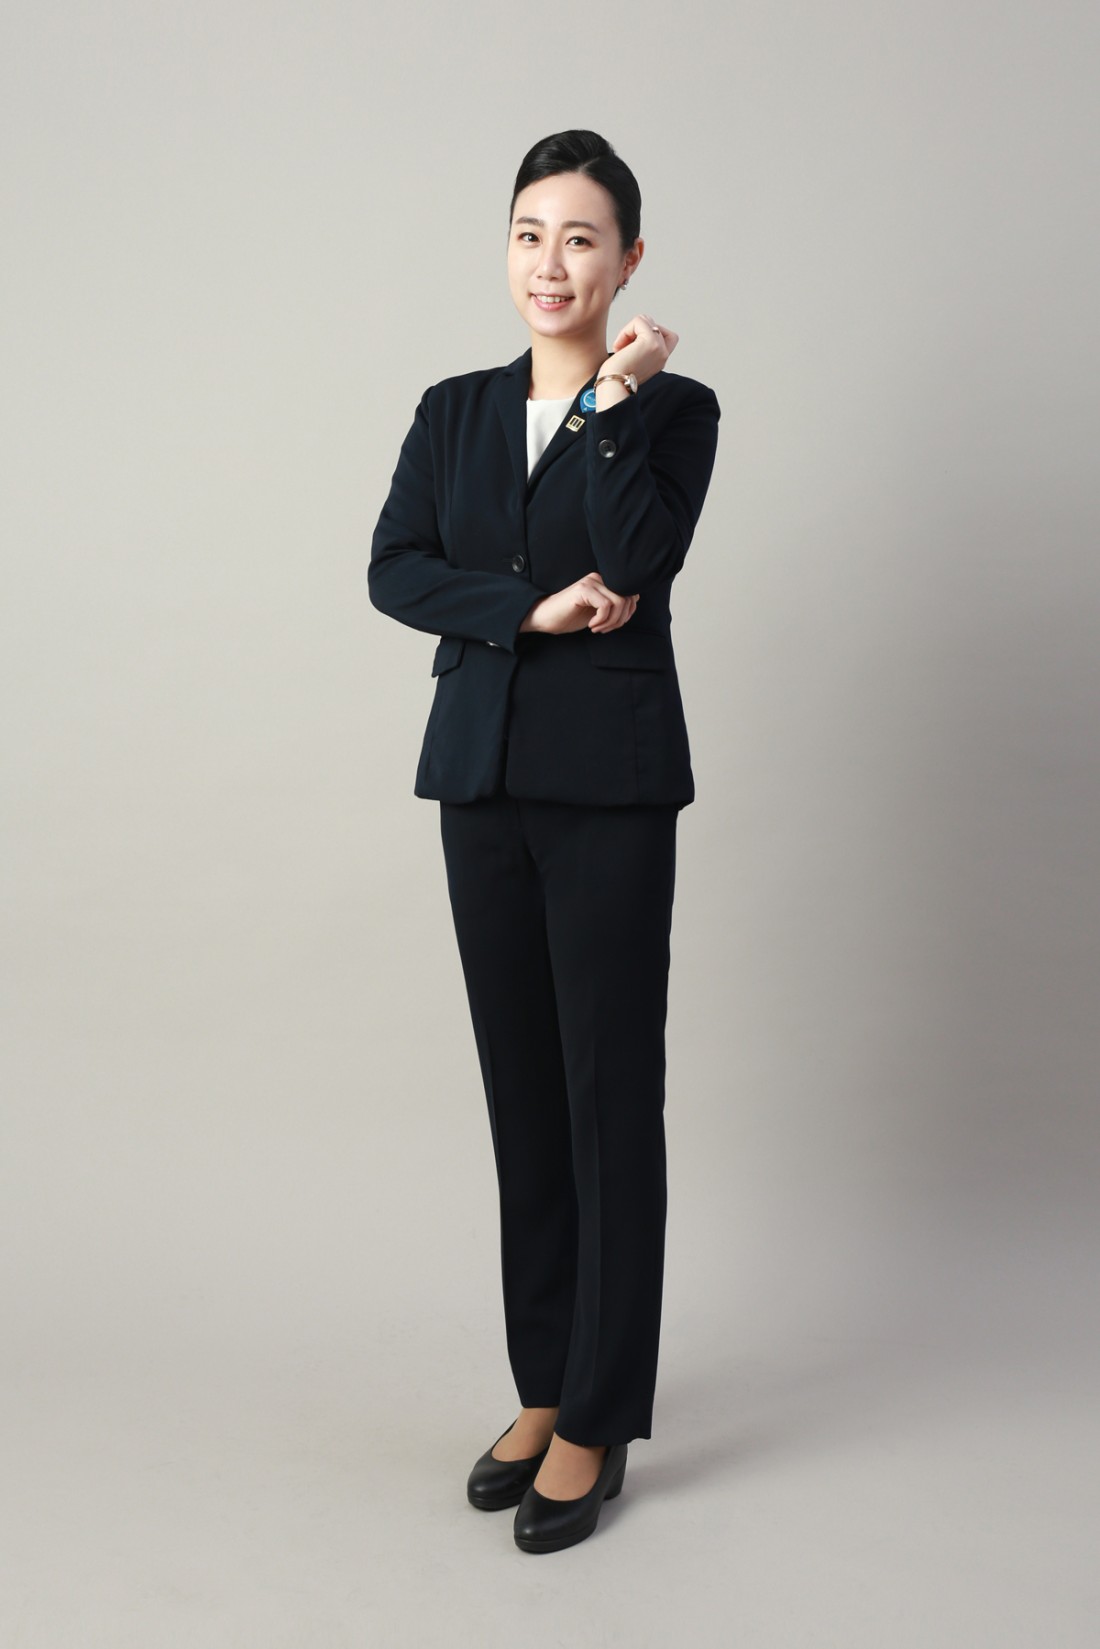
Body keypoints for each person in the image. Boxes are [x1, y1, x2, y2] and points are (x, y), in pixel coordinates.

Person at [368, 129, 721, 1553]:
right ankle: (541, 1383)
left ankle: (599, 1414)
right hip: (483, 779)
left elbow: (636, 556)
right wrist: (525, 608)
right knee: (522, 1093)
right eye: (529, 235)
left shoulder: (674, 411)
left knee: (604, 1093)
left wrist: (613, 399)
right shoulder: (453, 411)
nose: (550, 263)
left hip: (610, 790)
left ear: (628, 260)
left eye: (580, 238)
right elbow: (395, 567)